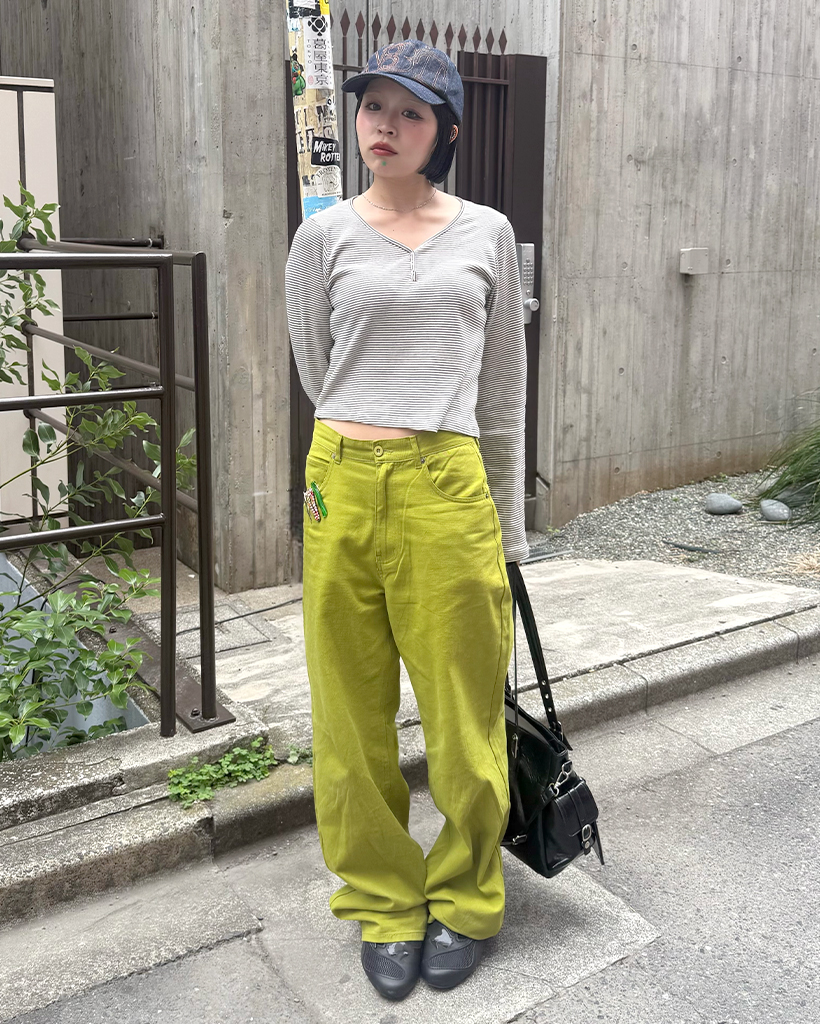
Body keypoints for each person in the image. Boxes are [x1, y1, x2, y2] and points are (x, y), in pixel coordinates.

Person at [285, 38, 528, 1002]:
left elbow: (501, 390)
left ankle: (465, 895)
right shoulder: (322, 238)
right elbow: (318, 368)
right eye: (372, 106)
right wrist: (361, 447)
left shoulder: (489, 235)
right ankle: (384, 900)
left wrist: (508, 528)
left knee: (464, 712)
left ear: (445, 132)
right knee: (349, 715)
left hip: (446, 483)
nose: (384, 125)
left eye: (410, 112)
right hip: (341, 481)